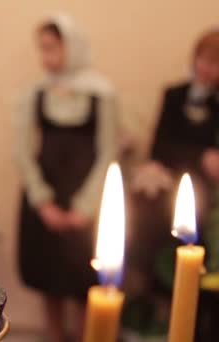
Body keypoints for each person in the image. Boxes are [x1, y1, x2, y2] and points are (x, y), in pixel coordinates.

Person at [15, 15, 118, 342]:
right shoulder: (37, 92)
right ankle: (54, 335)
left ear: (71, 47)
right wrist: (42, 200)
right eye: (41, 49)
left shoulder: (101, 93)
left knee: (83, 278)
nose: (45, 56)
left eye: (51, 48)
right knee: (49, 276)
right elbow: (22, 151)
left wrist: (85, 207)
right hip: (46, 194)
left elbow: (108, 151)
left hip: (85, 194)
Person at [129, 29, 219, 337]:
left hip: (209, 194)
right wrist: (200, 156)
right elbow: (160, 147)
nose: (207, 68)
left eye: (216, 63)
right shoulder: (175, 95)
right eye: (204, 60)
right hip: (172, 185)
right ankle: (152, 303)